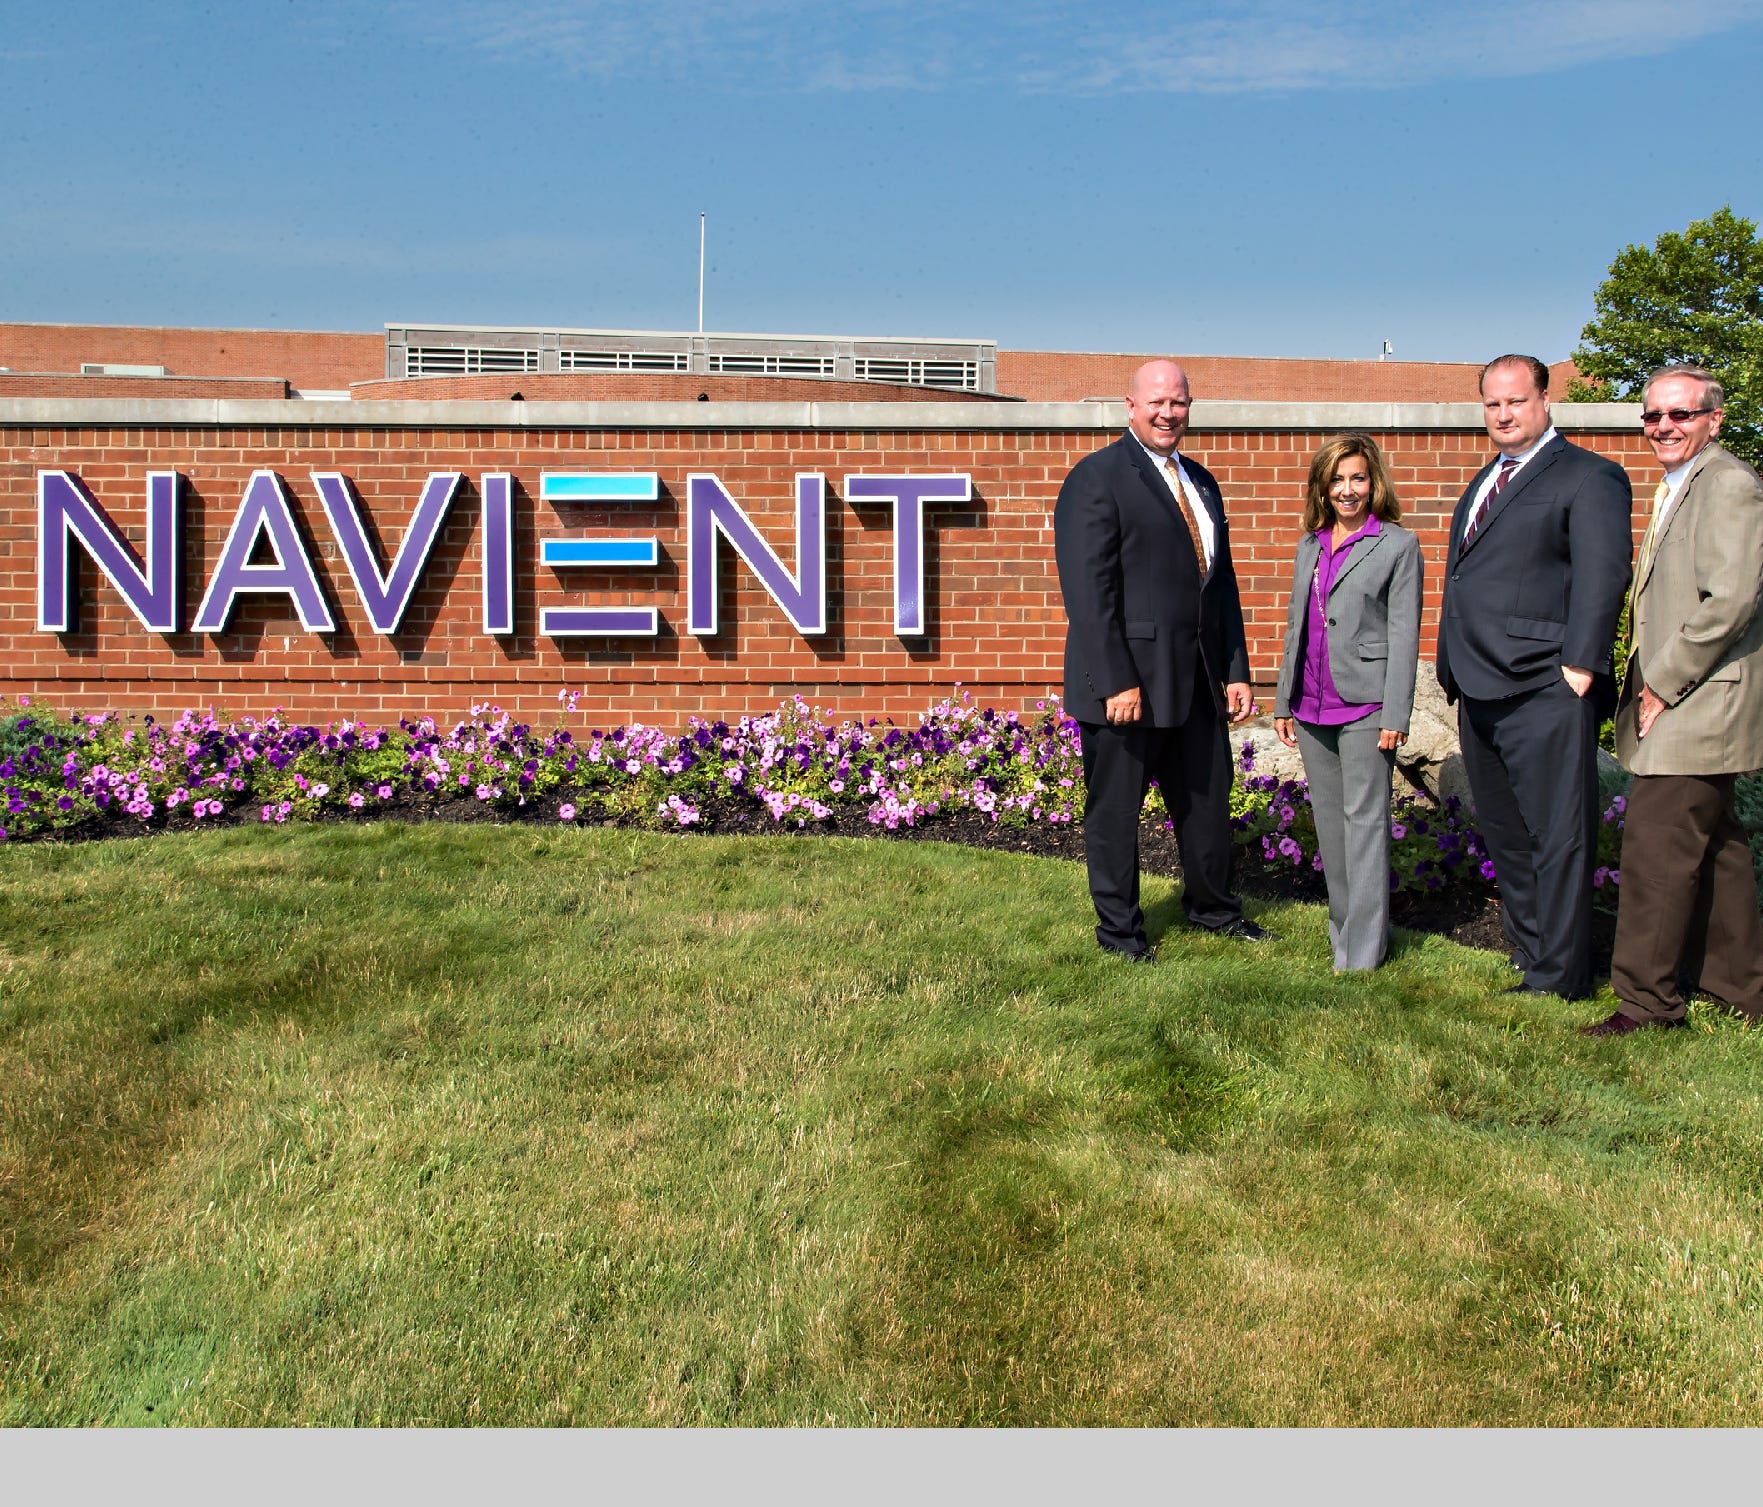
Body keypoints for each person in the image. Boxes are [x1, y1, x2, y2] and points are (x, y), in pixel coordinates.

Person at [1052, 358, 1269, 961]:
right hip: (1129, 687)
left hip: (1197, 680)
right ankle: (1120, 934)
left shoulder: (1200, 481)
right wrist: (1115, 680)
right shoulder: (1096, 478)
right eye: (1156, 402)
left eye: (1178, 402)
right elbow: (1090, 594)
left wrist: (1235, 668)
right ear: (1129, 406)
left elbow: (1219, 585)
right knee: (1115, 814)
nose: (1167, 413)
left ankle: (1213, 909)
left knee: (1207, 802)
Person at [1435, 354, 1632, 1000]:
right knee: (1509, 838)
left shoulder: (1587, 476)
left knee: (1558, 837)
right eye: (1492, 404)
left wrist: (1579, 666)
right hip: (1479, 686)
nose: (1502, 414)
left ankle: (1559, 976)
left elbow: (1603, 575)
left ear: (1545, 400)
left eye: (1515, 401)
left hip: (1546, 688)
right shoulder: (1484, 480)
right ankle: (1529, 953)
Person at [1587, 366, 1763, 1035]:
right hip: (1692, 700)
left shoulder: (1728, 486)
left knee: (1655, 852)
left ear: (1712, 419)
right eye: (1652, 416)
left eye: (1679, 415)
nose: (1663, 426)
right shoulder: (1680, 484)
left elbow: (1731, 600)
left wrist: (1661, 682)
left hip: (1696, 701)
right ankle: (1740, 991)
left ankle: (1647, 1004)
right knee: (1718, 849)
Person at [1272, 434, 1423, 972]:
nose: (1348, 489)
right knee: (1332, 829)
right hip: (1311, 708)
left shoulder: (1398, 546)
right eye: (1337, 479)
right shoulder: (1309, 543)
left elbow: (1405, 636)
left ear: (1373, 482)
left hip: (1365, 707)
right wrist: (1283, 700)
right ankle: (1344, 938)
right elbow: (1298, 624)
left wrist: (1395, 714)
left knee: (1366, 826)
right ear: (1323, 486)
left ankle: (1363, 957)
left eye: (1358, 478)